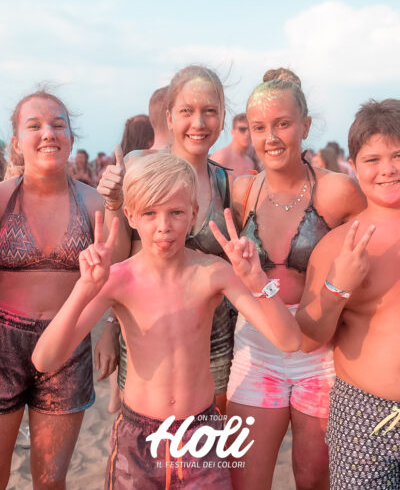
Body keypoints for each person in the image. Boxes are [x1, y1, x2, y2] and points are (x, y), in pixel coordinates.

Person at [33, 152, 302, 489]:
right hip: (138, 439)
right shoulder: (118, 279)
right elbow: (45, 360)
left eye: (176, 212)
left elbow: (289, 340)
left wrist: (258, 280)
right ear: (130, 215)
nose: (164, 226)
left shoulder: (212, 273)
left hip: (201, 435)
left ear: (194, 213)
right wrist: (83, 288)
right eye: (150, 213)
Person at [227, 70, 367, 490]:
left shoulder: (338, 192)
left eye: (283, 124)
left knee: (312, 479)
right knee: (245, 480)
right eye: (259, 127)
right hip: (257, 348)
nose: (270, 137)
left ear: (305, 126)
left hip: (321, 353)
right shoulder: (242, 192)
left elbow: (376, 245)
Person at [98, 65, 237, 415]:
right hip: (146, 341)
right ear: (170, 116)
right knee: (142, 436)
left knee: (207, 441)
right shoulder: (140, 167)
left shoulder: (227, 184)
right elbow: (118, 260)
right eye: (187, 110)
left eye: (210, 111)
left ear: (222, 118)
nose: (199, 123)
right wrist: (113, 203)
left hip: (215, 345)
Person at [0, 90, 104, 489]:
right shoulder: (2, 199)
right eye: (34, 126)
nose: (48, 133)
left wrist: (110, 331)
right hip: (3, 344)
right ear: (17, 142)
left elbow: (115, 279)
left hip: (68, 346)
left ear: (71, 139)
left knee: (50, 479)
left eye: (58, 125)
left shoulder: (94, 204)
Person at [297, 98, 400, 489]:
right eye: (373, 160)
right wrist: (336, 287)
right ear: (353, 165)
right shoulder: (338, 245)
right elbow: (308, 338)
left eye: (398, 156)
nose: (388, 169)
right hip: (363, 414)